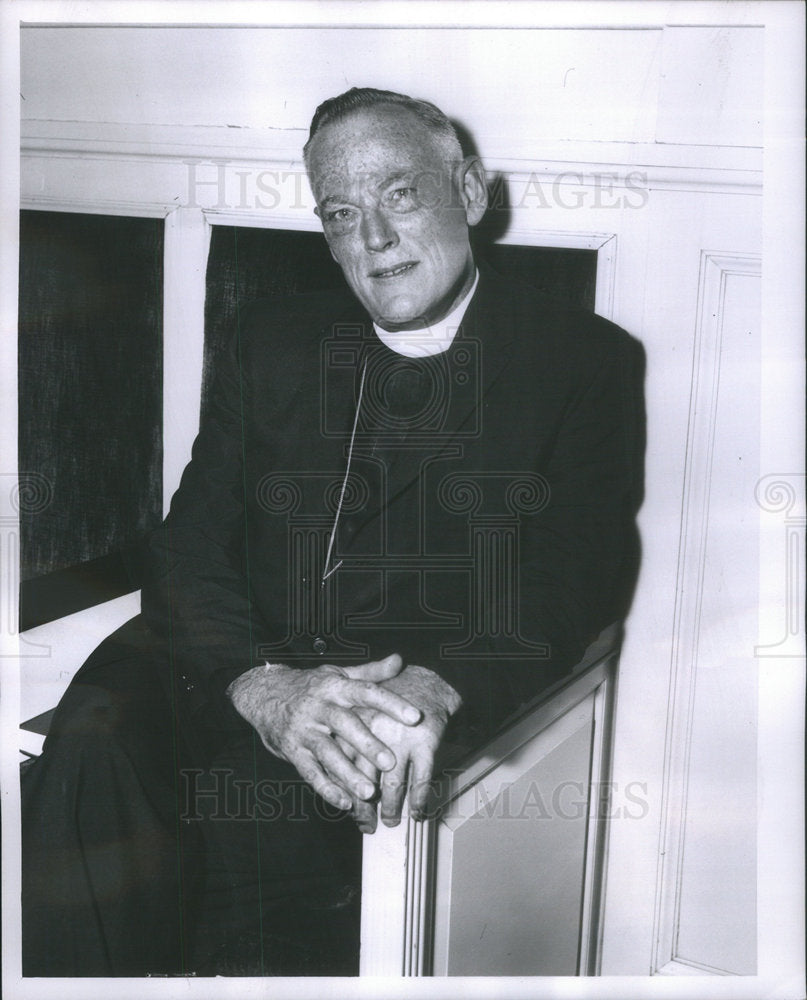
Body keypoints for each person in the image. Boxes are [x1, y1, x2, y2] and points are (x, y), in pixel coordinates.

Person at [21, 87, 643, 977]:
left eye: (401, 195)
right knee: (91, 749)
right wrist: (261, 685)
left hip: (380, 693)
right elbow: (189, 544)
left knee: (288, 851)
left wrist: (439, 686)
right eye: (342, 213)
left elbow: (573, 575)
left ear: (467, 191)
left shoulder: (583, 360)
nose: (373, 241)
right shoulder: (269, 336)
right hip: (225, 663)